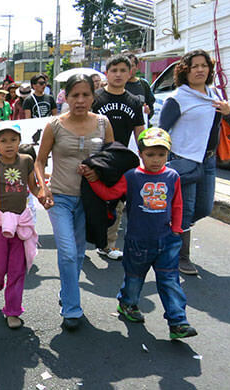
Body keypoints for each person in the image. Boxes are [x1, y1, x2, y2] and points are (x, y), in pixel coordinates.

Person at [81, 128, 198, 339]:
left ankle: (178, 321)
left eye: (161, 154)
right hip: (137, 242)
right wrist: (92, 180)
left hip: (167, 240)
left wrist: (177, 229)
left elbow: (177, 204)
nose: (156, 159)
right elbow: (110, 194)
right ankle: (127, 304)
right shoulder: (132, 177)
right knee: (134, 279)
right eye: (150, 154)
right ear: (141, 154)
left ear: (168, 154)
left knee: (170, 280)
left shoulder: (173, 176)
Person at [35, 74, 114, 330]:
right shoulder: (54, 126)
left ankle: (66, 292)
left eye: (86, 95)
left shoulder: (103, 124)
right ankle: (72, 309)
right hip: (60, 198)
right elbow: (39, 161)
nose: (80, 101)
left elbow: (115, 159)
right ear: (66, 98)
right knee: (68, 253)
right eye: (75, 95)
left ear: (93, 96)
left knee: (79, 253)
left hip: (90, 201)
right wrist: (43, 188)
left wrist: (98, 173)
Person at [159, 49, 230, 275]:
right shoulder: (177, 98)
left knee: (204, 208)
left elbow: (225, 127)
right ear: (185, 70)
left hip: (208, 161)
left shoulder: (214, 96)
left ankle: (168, 230)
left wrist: (229, 113)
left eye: (204, 65)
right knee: (187, 208)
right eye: (194, 66)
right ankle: (182, 257)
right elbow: (162, 130)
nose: (200, 70)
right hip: (184, 159)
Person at [0, 124, 41, 329]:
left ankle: (13, 310)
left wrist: (43, 196)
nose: (9, 145)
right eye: (3, 141)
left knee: (17, 269)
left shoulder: (27, 161)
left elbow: (33, 186)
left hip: (20, 224)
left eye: (13, 140)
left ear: (19, 141)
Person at [92, 54, 145, 261]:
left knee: (116, 203)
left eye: (123, 70)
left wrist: (145, 156)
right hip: (94, 157)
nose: (118, 74)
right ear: (107, 73)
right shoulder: (95, 98)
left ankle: (108, 245)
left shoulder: (134, 101)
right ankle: (87, 238)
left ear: (130, 72)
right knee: (90, 201)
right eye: (114, 70)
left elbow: (139, 131)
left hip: (120, 160)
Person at [126, 53, 156, 124]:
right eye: (126, 66)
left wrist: (148, 111)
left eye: (132, 66)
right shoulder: (117, 85)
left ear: (136, 67)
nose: (129, 69)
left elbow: (151, 106)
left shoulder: (143, 84)